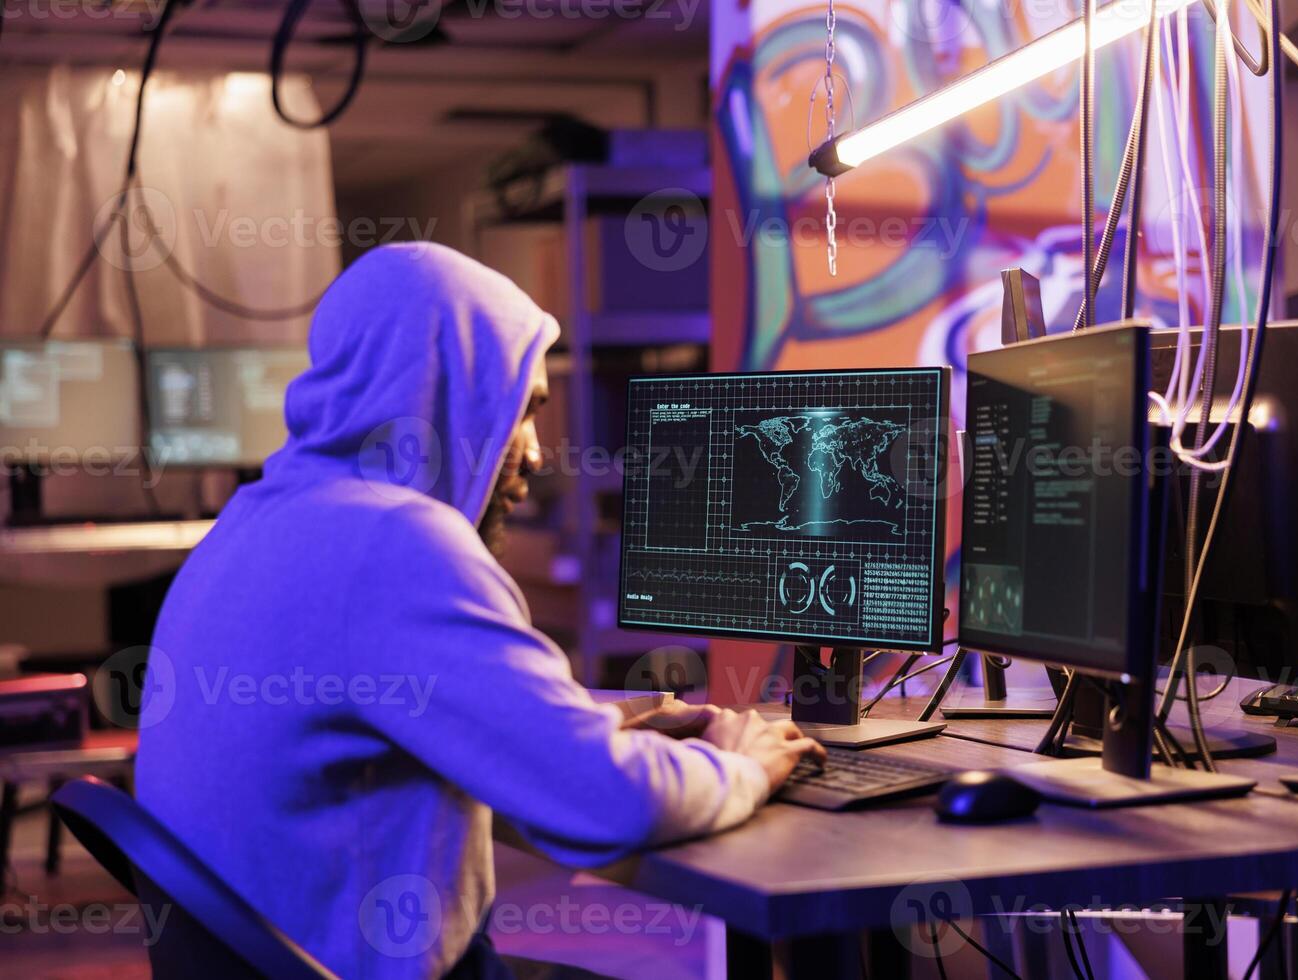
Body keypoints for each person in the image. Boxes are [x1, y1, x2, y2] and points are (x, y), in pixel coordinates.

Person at [134, 242, 823, 979]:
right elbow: (606, 803)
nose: (536, 453)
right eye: (524, 411)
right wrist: (741, 766)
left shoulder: (259, 519)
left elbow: (377, 704)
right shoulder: (395, 542)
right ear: (447, 394)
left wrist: (576, 722)